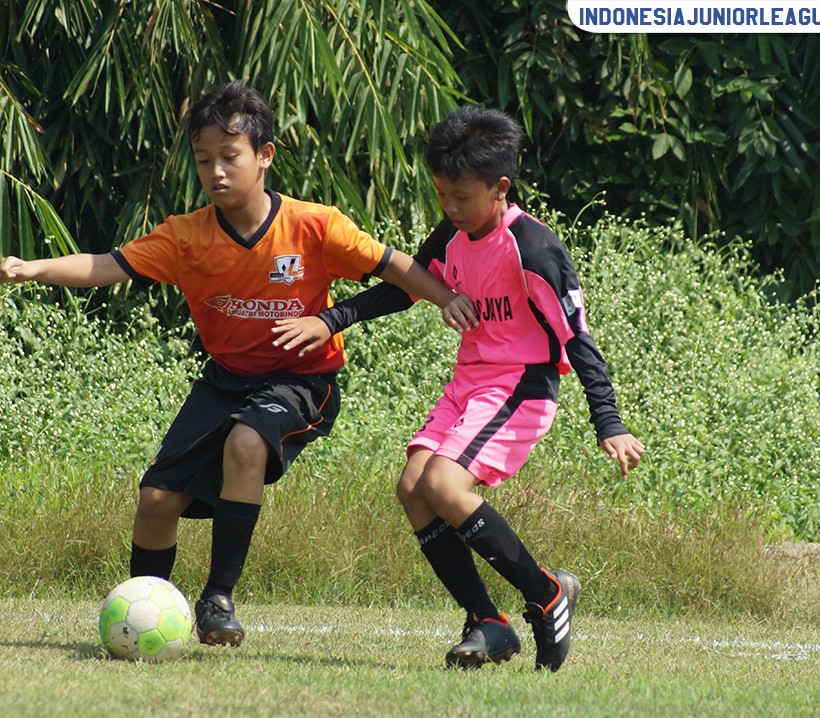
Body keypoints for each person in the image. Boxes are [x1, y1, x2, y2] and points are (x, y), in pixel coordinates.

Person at [0, 80, 470, 648]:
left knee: (247, 441)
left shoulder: (315, 225)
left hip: (301, 381)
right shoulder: (185, 237)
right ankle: (142, 620)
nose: (216, 171)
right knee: (156, 501)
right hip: (224, 382)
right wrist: (35, 267)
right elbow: (106, 266)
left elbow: (396, 267)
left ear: (264, 156)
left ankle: (218, 597)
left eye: (229, 157)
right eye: (203, 160)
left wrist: (447, 298)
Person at [272, 106, 645, 672]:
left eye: (461, 197)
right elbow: (407, 286)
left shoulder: (536, 251)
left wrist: (609, 421)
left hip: (522, 385)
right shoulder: (454, 231)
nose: (449, 208)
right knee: (414, 487)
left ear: (500, 188)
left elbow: (577, 339)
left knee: (445, 485)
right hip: (470, 383)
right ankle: (488, 622)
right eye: (442, 194)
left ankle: (546, 594)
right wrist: (332, 318)